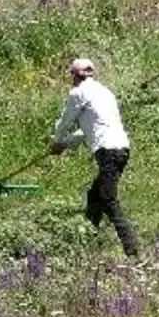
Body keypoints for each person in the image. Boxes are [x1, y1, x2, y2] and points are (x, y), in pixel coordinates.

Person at [48, 58, 139, 258]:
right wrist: (65, 144)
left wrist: (56, 141)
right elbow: (86, 131)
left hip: (108, 151)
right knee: (94, 196)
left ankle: (132, 248)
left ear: (74, 75)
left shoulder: (78, 93)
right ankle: (88, 243)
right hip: (122, 149)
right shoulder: (105, 93)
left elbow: (66, 121)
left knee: (108, 199)